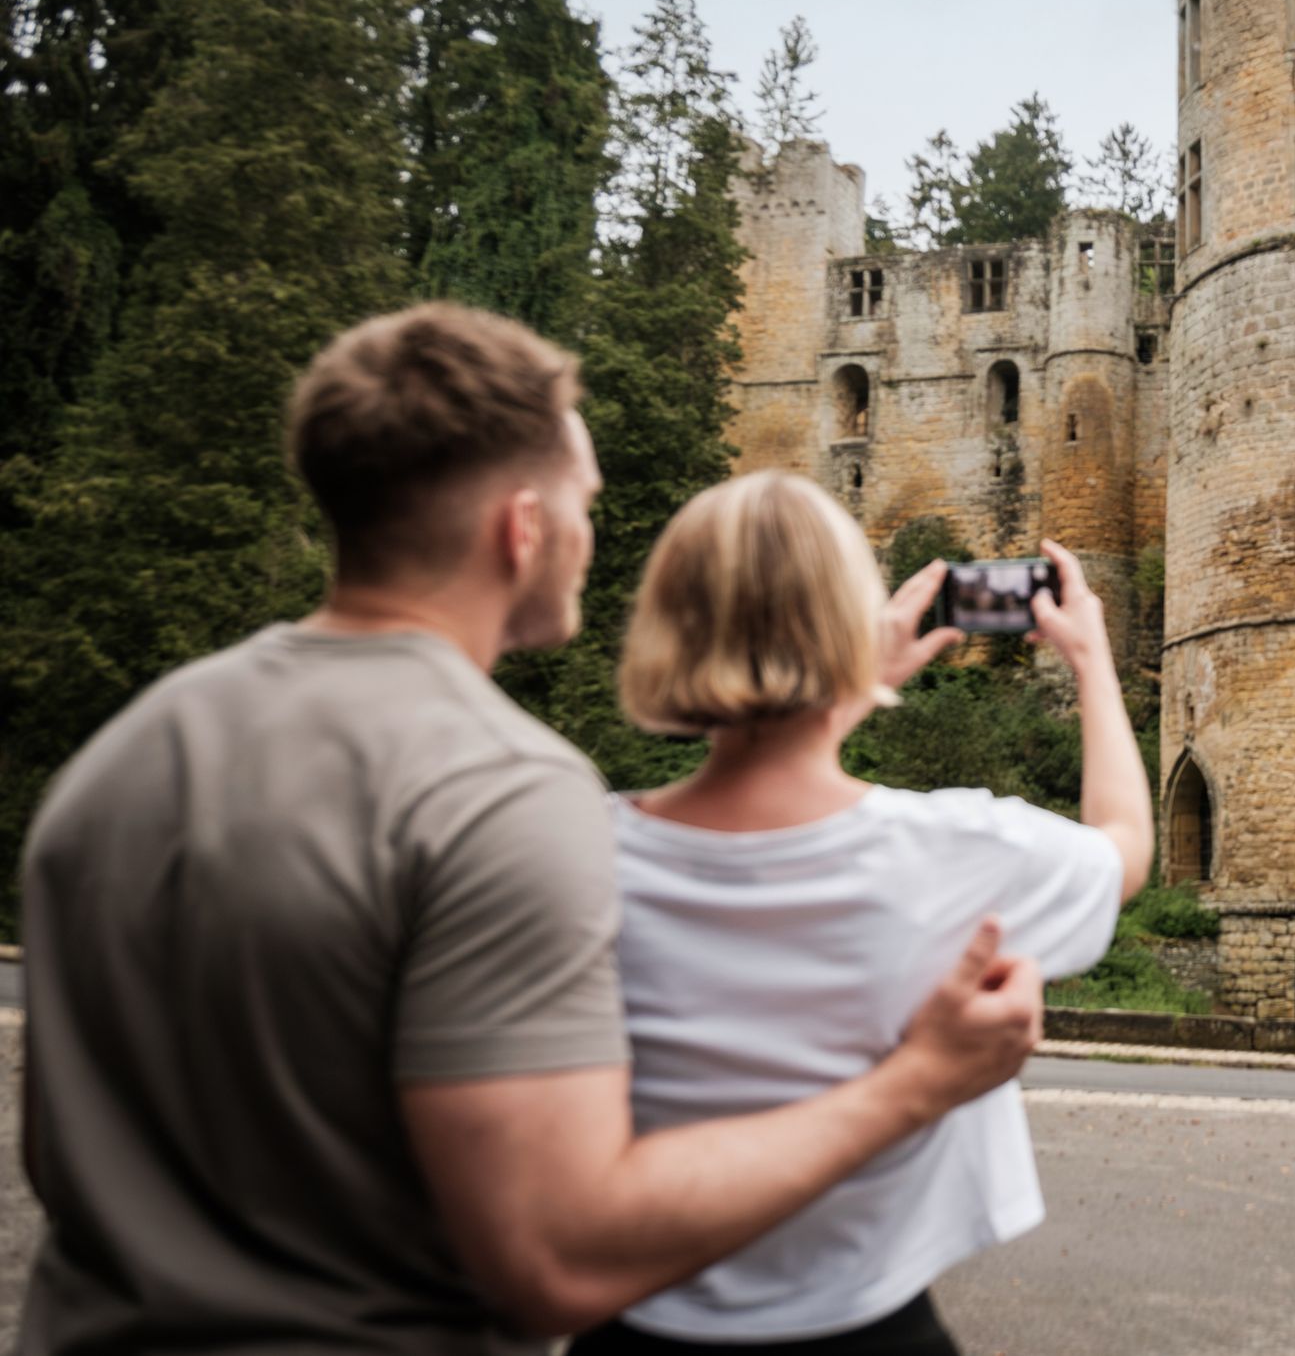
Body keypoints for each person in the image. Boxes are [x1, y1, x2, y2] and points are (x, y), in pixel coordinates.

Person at [17, 304, 1045, 1355]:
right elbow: (558, 1261)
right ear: (521, 527)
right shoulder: (498, 789)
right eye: (584, 502)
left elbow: (64, 1154)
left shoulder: (121, 759)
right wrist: (919, 1080)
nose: (591, 536)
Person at [574, 479, 1154, 1353]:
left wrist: (842, 686)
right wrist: (1091, 661)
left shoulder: (576, 851)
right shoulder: (955, 845)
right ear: (852, 628)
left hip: (640, 1321)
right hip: (867, 1323)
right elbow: (1123, 846)